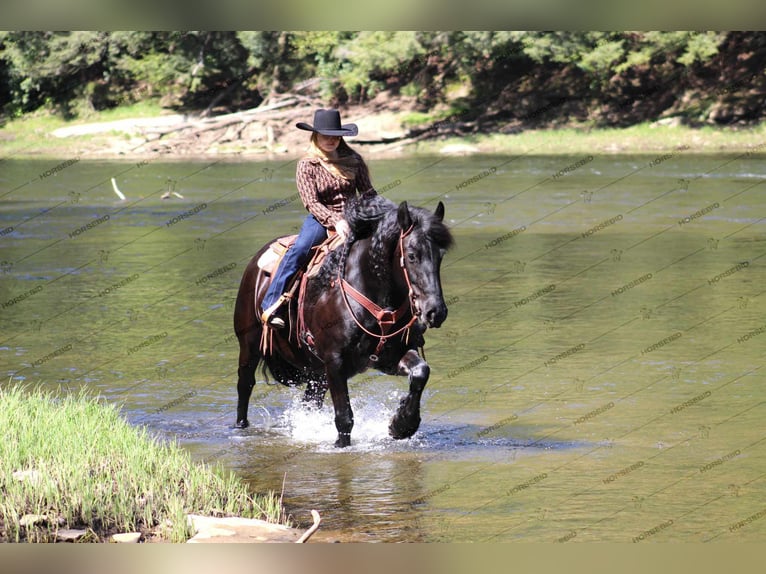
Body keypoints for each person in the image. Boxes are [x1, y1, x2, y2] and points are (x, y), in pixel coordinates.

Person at [261, 109, 377, 329]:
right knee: (301, 249)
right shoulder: (307, 165)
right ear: (315, 136)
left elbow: (368, 192)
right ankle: (271, 304)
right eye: (326, 135)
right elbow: (311, 202)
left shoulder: (354, 160)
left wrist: (382, 212)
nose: (332, 140)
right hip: (321, 218)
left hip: (356, 215)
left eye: (335, 136)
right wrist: (336, 220)